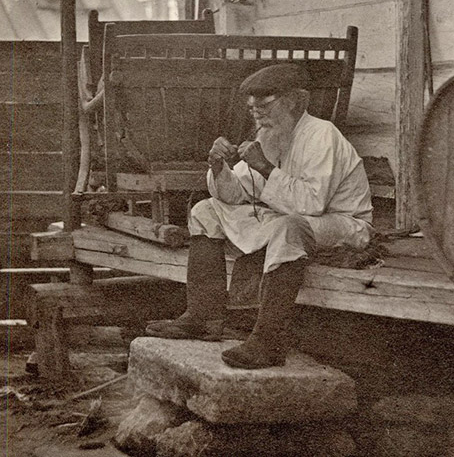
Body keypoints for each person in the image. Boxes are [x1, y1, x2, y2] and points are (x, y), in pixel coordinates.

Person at [145, 63, 374, 369]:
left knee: (288, 228)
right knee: (205, 211)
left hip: (343, 223)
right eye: (251, 107)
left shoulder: (322, 135)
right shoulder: (268, 134)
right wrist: (218, 167)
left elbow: (312, 204)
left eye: (264, 106)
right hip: (287, 213)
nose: (256, 114)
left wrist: (265, 167)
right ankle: (203, 317)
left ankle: (268, 341)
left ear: (292, 102)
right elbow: (236, 194)